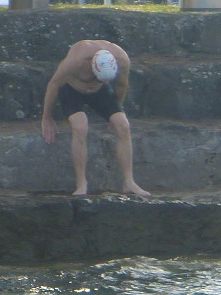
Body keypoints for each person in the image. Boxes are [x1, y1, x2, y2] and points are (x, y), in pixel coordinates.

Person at [41, 40, 150, 198]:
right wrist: (47, 117)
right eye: (98, 77)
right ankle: (81, 183)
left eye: (106, 79)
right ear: (92, 66)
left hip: (99, 92)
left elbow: (121, 86)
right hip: (71, 89)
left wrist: (113, 114)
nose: (103, 81)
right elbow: (54, 84)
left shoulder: (121, 59)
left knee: (123, 125)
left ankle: (129, 182)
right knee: (80, 126)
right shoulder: (76, 60)